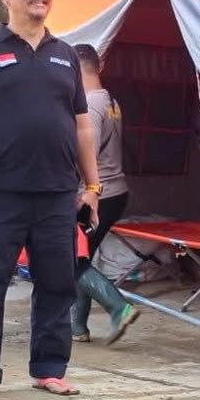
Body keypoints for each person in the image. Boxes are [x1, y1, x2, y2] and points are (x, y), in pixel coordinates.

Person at [0, 0, 102, 400]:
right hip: (1, 192)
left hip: (58, 193)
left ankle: (49, 368)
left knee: (58, 283)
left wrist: (92, 188)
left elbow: (82, 126)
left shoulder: (65, 56)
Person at [70, 44, 139, 346]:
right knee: (80, 255)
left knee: (68, 259)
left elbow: (87, 153)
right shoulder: (110, 100)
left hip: (97, 194)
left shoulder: (89, 106)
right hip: (115, 191)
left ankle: (118, 307)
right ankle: (77, 326)